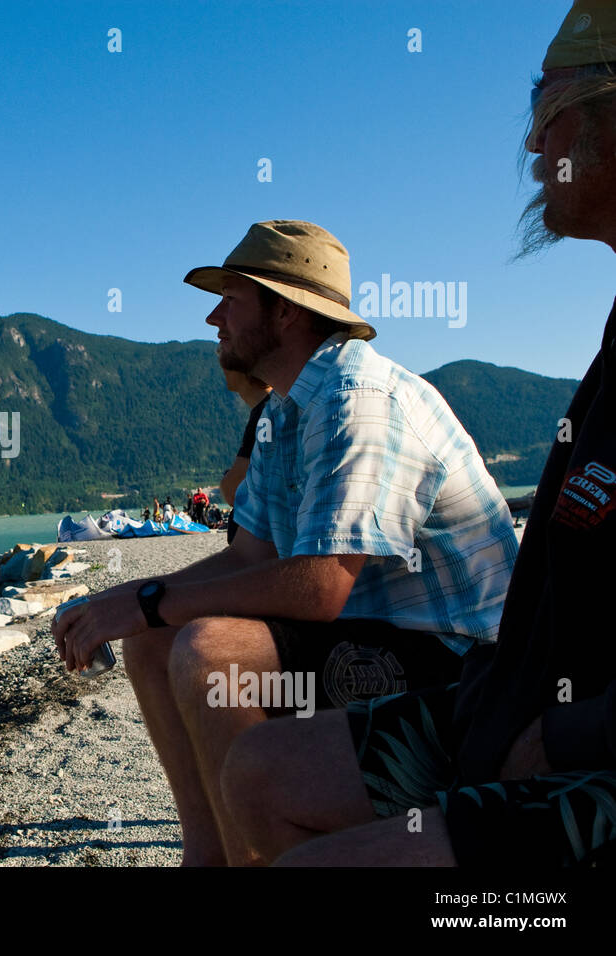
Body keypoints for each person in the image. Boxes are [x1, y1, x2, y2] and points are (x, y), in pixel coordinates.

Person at [221, 3, 616, 868]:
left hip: (575, 731)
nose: (529, 146)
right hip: (518, 694)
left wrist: (572, 732)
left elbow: (322, 586)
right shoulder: (613, 343)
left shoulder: (359, 396)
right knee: (257, 773)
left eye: (546, 108)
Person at [52, 219, 518, 866]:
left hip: (462, 664)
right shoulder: (283, 409)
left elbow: (322, 585)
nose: (214, 316)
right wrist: (130, 599)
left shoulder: (360, 401)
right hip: (378, 630)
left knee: (210, 652)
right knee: (154, 638)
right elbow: (251, 555)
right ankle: (208, 856)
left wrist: (152, 600)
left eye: (232, 298)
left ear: (289, 311)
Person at [219, 364, 273, 545]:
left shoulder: (266, 413)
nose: (223, 366)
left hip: (259, 546)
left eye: (226, 357)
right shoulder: (269, 407)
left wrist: (229, 478)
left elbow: (233, 491)